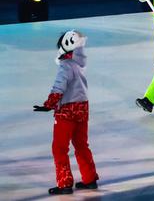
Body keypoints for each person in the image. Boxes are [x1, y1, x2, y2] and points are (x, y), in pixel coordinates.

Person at [33, 30, 99, 195]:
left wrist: (49, 104)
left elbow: (59, 87)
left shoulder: (66, 65)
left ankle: (64, 183)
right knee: (81, 145)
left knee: (59, 148)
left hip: (66, 112)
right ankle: (90, 179)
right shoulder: (80, 64)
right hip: (82, 109)